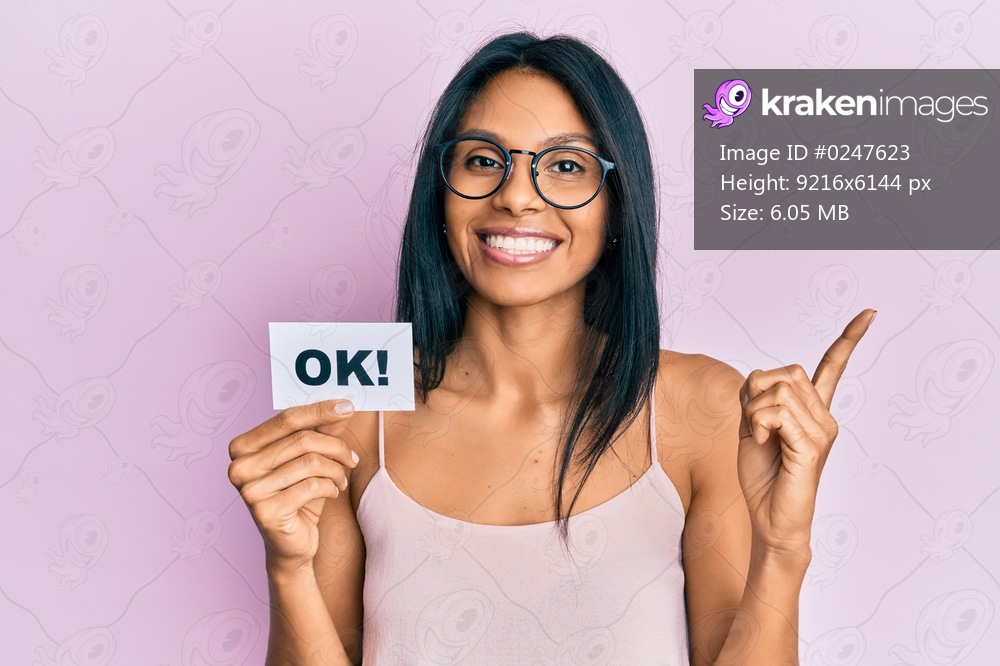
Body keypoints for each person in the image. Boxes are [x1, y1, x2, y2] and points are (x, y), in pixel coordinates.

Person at [227, 31, 875, 665]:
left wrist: (783, 550)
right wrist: (288, 569)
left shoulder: (699, 407)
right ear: (440, 190)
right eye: (483, 159)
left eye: (565, 165)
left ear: (617, 206)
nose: (515, 194)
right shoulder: (352, 413)